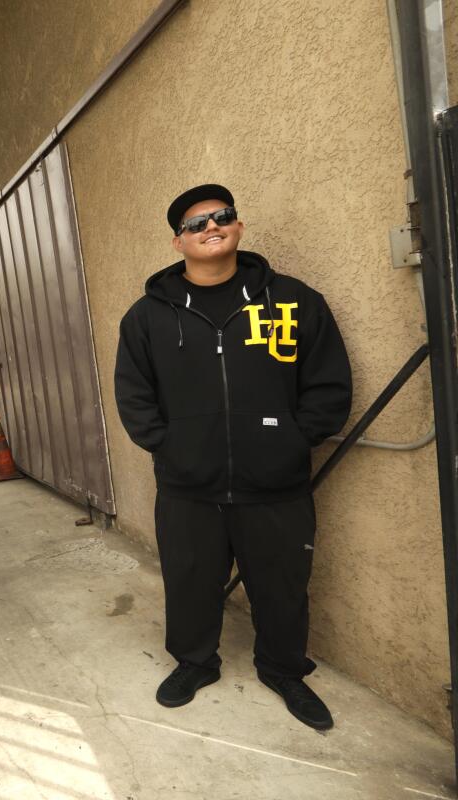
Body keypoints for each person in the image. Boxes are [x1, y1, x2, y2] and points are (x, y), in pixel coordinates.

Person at [113, 184, 352, 730]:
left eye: (221, 217)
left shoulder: (293, 300)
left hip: (276, 483)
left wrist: (294, 440)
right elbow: (134, 393)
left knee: (282, 586)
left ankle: (284, 668)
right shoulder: (147, 317)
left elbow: (328, 382)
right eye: (195, 224)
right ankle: (195, 664)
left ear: (239, 227)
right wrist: (169, 446)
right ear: (179, 242)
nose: (210, 227)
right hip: (188, 486)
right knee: (190, 581)